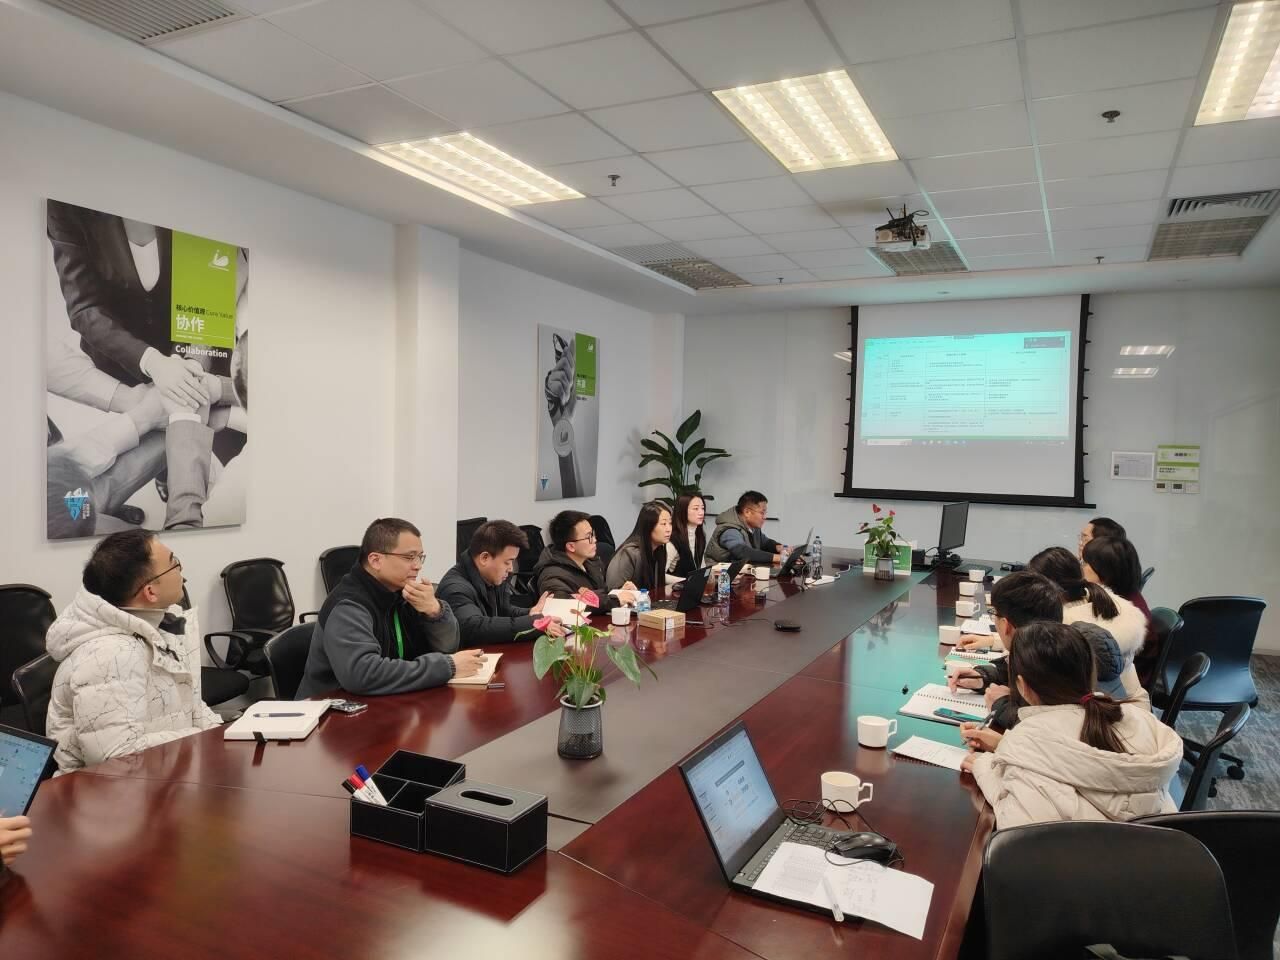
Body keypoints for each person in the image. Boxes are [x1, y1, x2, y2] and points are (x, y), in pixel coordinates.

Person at [959, 621, 1182, 829]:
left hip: (1077, 856)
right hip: (1162, 850)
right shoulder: (1140, 719)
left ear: (1022, 685)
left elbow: (1016, 827)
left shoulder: (1027, 740)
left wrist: (985, 767)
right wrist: (1005, 745)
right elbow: (1079, 757)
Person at [45, 529, 223, 772]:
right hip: (108, 789)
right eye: (174, 563)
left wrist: (224, 735)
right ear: (150, 592)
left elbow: (190, 705)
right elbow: (115, 756)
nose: (181, 570)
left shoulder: (154, 625)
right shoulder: (109, 655)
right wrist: (199, 739)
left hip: (164, 776)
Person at [297, 518, 480, 698]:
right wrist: (447, 667)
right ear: (376, 560)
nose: (418, 566)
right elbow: (363, 675)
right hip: (331, 709)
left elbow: (448, 647)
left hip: (386, 701)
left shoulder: (404, 593)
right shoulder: (348, 605)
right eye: (409, 557)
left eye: (420, 557)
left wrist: (435, 612)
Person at [947, 571, 1124, 731]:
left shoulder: (1066, 662)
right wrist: (984, 677)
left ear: (1006, 624)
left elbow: (1050, 732)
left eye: (994, 613)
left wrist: (1001, 706)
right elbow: (1029, 666)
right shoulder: (1063, 646)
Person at [1025, 546, 1150, 707]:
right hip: (1133, 704)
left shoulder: (1066, 629)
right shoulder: (1102, 601)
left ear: (1047, 588)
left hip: (1114, 712)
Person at [437, 520, 565, 647]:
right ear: (484, 558)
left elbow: (504, 611)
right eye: (507, 562)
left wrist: (530, 613)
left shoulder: (492, 576)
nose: (511, 569)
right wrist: (534, 623)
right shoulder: (455, 588)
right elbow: (475, 628)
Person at [1083, 536, 1160, 685]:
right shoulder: (1122, 595)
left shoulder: (1126, 612)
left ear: (1105, 571)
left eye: (1085, 563)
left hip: (1124, 683)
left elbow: (1099, 657)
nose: (1081, 569)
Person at [534, 510, 637, 614]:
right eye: (588, 537)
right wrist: (614, 600)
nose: (595, 540)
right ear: (571, 546)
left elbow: (599, 594)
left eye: (593, 534)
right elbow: (563, 605)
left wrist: (618, 592)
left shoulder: (590, 562)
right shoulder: (552, 575)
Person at [607, 501, 680, 591]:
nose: (669, 529)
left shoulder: (659, 549)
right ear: (648, 526)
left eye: (670, 523)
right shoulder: (630, 553)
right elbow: (613, 592)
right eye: (663, 524)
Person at [705, 491, 785, 565]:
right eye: (762, 513)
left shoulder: (753, 528)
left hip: (742, 572)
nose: (764, 517)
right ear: (747, 512)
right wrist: (777, 558)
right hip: (720, 574)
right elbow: (742, 552)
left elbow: (765, 542)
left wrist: (780, 548)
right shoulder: (730, 530)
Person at [669, 493, 707, 577]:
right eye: (696, 508)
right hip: (676, 585)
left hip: (694, 584)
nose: (701, 512)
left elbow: (701, 567)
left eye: (702, 508)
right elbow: (660, 575)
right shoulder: (673, 539)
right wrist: (686, 581)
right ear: (683, 510)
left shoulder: (699, 536)